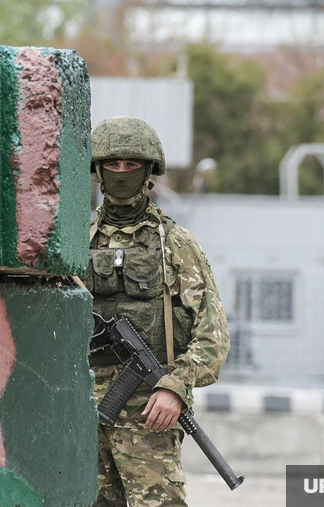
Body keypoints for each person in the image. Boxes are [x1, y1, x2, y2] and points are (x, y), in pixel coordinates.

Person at [85, 116, 231, 507]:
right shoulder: (76, 239)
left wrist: (176, 386)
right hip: (81, 410)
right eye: (112, 165)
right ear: (97, 171)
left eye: (130, 165)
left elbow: (213, 336)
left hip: (151, 410)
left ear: (149, 171)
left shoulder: (176, 245)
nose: (120, 173)